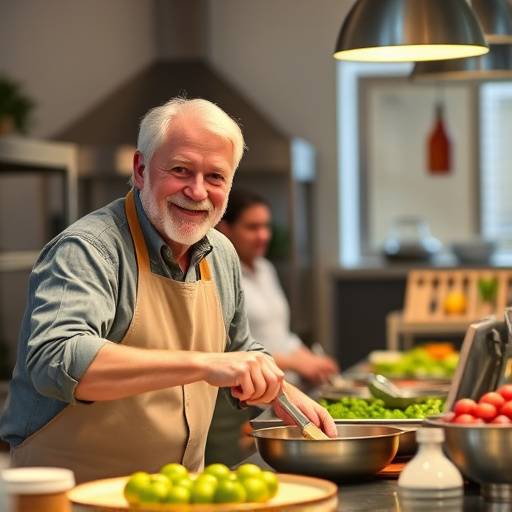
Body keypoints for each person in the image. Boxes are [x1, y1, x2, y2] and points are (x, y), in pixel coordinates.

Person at [0, 98, 336, 483]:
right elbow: (57, 359)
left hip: (177, 491)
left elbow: (238, 348)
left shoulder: (221, 253)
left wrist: (284, 394)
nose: (197, 191)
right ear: (141, 169)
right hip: (72, 493)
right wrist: (205, 364)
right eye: (180, 170)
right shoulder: (89, 249)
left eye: (215, 177)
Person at [217, 189, 339, 385]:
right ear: (225, 229)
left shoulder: (266, 269)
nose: (263, 235)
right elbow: (230, 352)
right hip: (250, 392)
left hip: (283, 385)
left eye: (266, 226)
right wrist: (295, 363)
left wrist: (311, 360)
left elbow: (281, 336)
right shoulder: (220, 276)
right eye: (252, 227)